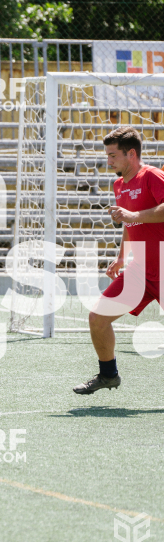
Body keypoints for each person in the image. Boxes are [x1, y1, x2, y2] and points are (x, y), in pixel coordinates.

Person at [74, 126, 164, 394]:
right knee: (98, 317)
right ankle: (108, 375)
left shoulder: (152, 176)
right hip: (140, 269)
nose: (109, 161)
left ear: (131, 154)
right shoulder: (119, 184)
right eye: (107, 155)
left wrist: (134, 215)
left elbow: (137, 215)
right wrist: (121, 257)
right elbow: (129, 223)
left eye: (113, 155)